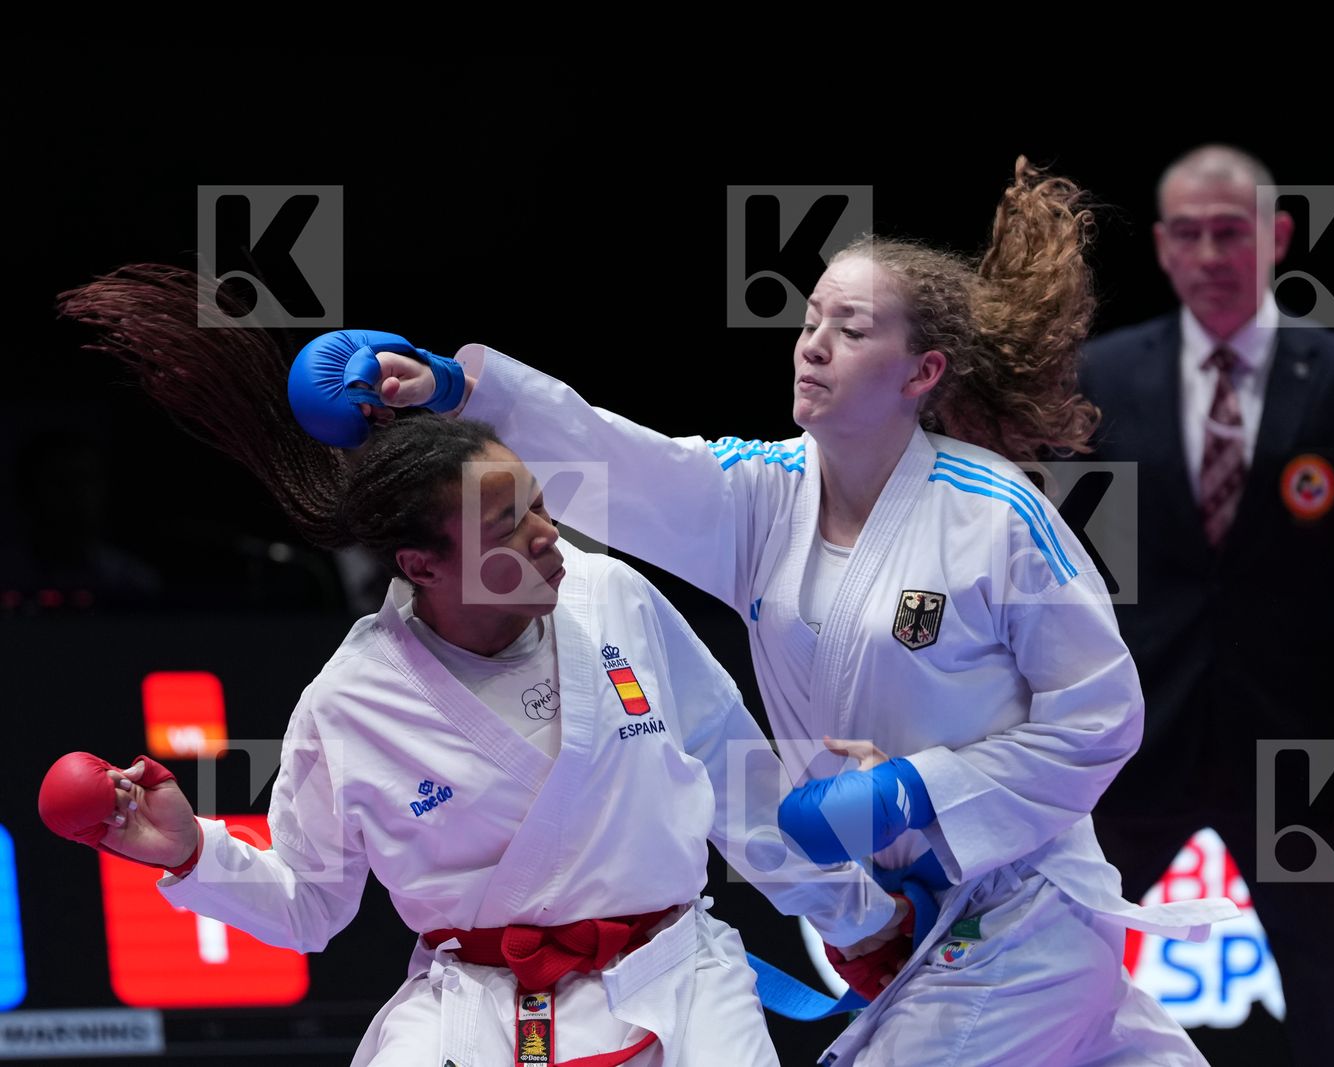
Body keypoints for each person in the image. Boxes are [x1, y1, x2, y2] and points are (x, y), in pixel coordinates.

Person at [353, 158, 1237, 1066]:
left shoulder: (997, 519)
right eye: (811, 320)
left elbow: (1102, 716)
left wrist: (916, 789)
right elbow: (618, 461)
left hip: (1020, 909)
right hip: (911, 917)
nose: (812, 344)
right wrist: (463, 396)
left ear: (921, 371)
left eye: (850, 330)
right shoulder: (761, 498)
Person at [41, 269, 901, 1067]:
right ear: (421, 565)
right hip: (477, 1011)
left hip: (676, 984)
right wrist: (193, 853)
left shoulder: (611, 596)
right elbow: (309, 902)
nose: (545, 534)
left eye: (536, 500)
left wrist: (862, 926)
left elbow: (739, 777)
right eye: (506, 523)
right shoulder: (352, 701)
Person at [1071, 145, 1334, 1066]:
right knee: (1047, 969)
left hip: (1304, 757)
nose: (1210, 254)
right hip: (1134, 736)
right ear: (1160, 246)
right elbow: (1060, 575)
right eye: (1188, 234)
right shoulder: (1100, 380)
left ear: (1276, 237)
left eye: (1231, 232)